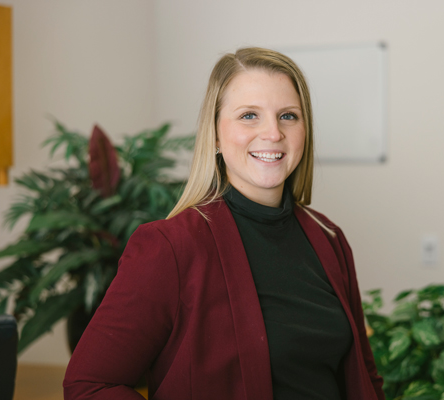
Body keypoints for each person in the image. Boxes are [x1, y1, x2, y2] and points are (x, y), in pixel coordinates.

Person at [63, 47, 385, 400]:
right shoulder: (170, 247)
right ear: (215, 135)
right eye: (249, 115)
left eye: (288, 116)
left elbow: (364, 378)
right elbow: (89, 386)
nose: (273, 133)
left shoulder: (329, 238)